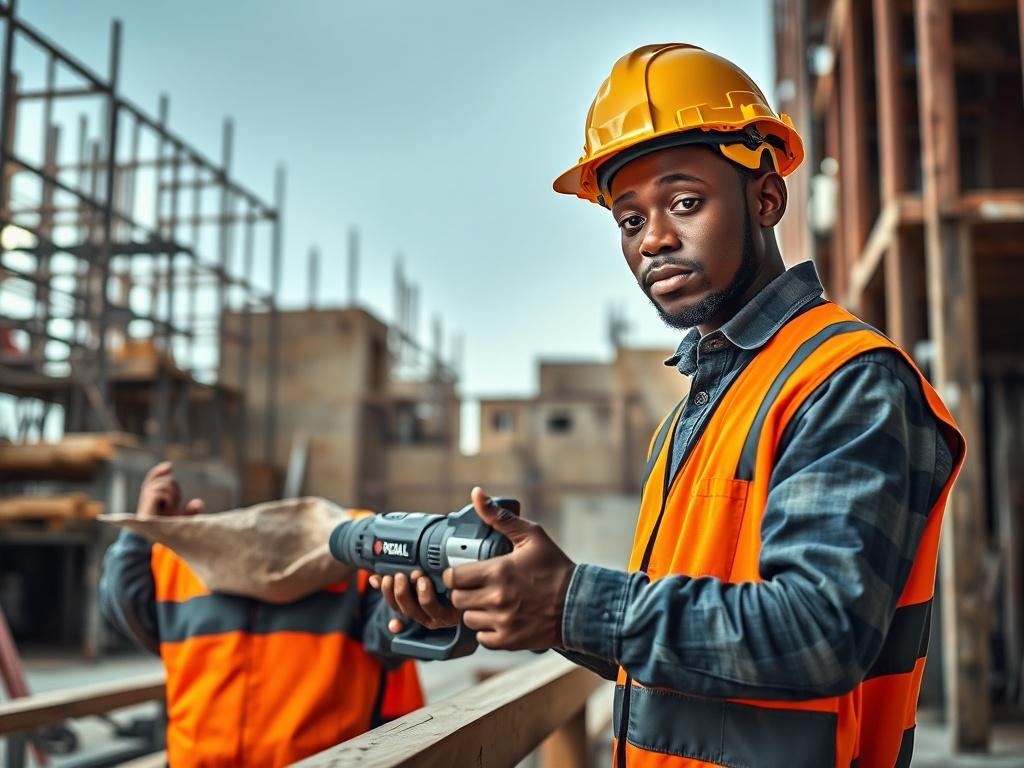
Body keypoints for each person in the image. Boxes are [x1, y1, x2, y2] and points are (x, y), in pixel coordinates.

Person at [375, 44, 965, 768]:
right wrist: (516, 603)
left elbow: (819, 633)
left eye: (685, 203)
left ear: (766, 200)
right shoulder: (690, 418)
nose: (653, 239)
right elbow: (691, 650)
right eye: (629, 220)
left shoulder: (846, 380)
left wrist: (572, 601)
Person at [100, 462, 423, 768]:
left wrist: (139, 537)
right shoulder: (357, 560)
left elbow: (127, 606)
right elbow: (391, 632)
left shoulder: (179, 563)